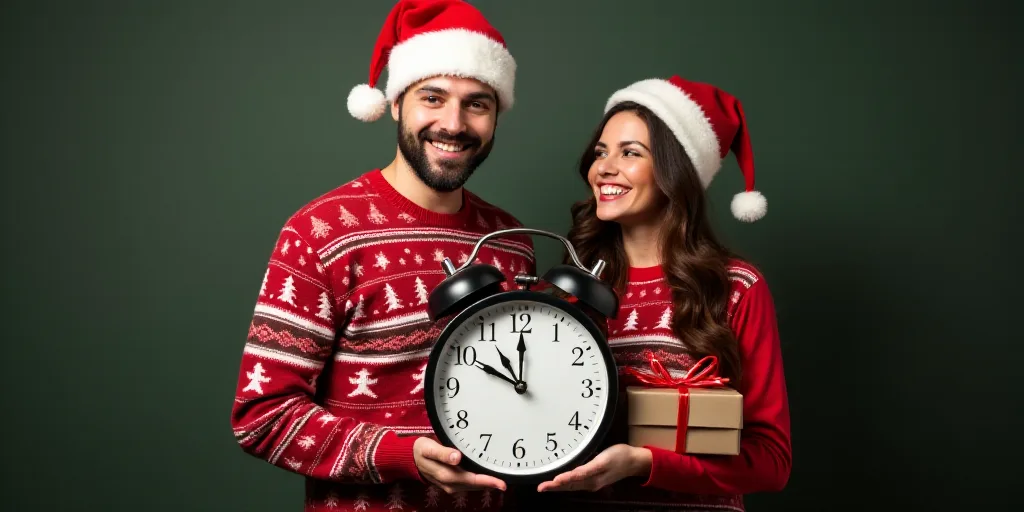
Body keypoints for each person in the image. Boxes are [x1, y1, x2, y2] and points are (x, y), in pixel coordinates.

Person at [229, 1, 535, 511]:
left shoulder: (512, 241)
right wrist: (401, 455)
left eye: (477, 103)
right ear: (394, 104)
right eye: (432, 98)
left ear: (496, 115)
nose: (453, 123)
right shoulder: (319, 233)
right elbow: (263, 416)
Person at [528, 75, 792, 511]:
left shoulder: (737, 288)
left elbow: (772, 461)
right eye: (601, 152)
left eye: (630, 153)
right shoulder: (563, 290)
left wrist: (647, 463)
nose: (604, 169)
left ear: (677, 170)